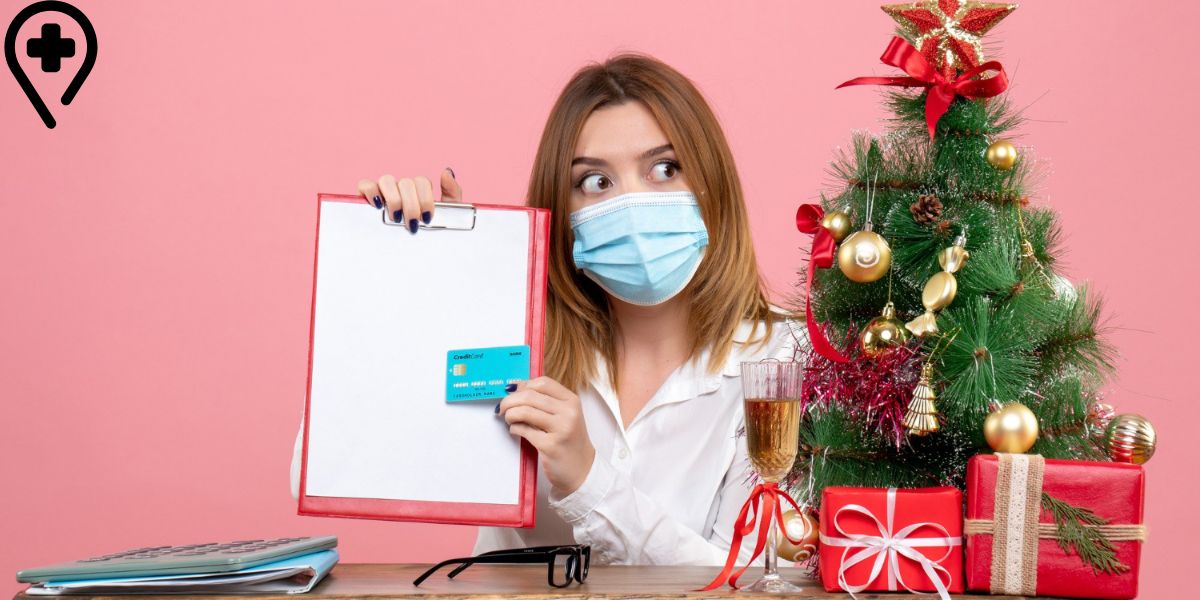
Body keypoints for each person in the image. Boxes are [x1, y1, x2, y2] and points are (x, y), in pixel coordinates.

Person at [289, 52, 808, 566]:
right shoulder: (512, 332)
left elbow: (751, 576)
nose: (630, 204)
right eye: (596, 182)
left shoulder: (786, 358)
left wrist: (587, 478)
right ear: (563, 213)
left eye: (664, 168)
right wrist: (419, 280)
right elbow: (322, 469)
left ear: (713, 184)